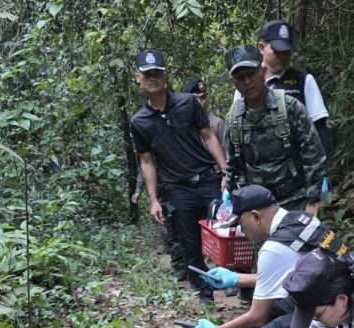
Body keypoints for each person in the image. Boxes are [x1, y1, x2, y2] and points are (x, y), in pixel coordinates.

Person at [184, 185, 347, 328]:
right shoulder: (303, 220)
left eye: (241, 223)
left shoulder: (274, 249)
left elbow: (256, 318)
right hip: (343, 302)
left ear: (255, 216)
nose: (242, 230)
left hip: (333, 317)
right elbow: (289, 274)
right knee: (274, 304)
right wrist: (236, 279)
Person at [129, 49, 228, 304]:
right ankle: (205, 296)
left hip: (207, 180)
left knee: (223, 234)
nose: (153, 78)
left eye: (157, 73)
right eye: (148, 74)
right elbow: (146, 160)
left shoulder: (188, 103)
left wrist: (225, 170)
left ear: (165, 75)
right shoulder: (139, 121)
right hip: (177, 189)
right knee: (190, 245)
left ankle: (236, 284)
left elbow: (208, 135)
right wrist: (153, 199)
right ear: (138, 78)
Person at [224, 45, 326, 213]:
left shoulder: (289, 107)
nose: (247, 82)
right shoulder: (233, 119)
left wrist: (313, 200)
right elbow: (233, 165)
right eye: (240, 77)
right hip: (257, 207)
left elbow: (313, 154)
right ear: (232, 82)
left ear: (263, 72)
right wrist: (232, 199)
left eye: (251, 74)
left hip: (295, 200)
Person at [234, 20, 332, 156]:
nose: (283, 56)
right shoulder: (246, 83)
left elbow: (319, 127)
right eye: (277, 51)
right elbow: (236, 127)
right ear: (261, 47)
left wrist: (321, 163)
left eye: (286, 51)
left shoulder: (304, 80)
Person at [182, 78, 227, 159]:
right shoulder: (180, 124)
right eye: (195, 98)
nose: (200, 102)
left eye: (203, 97)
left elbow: (227, 155)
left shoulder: (217, 123)